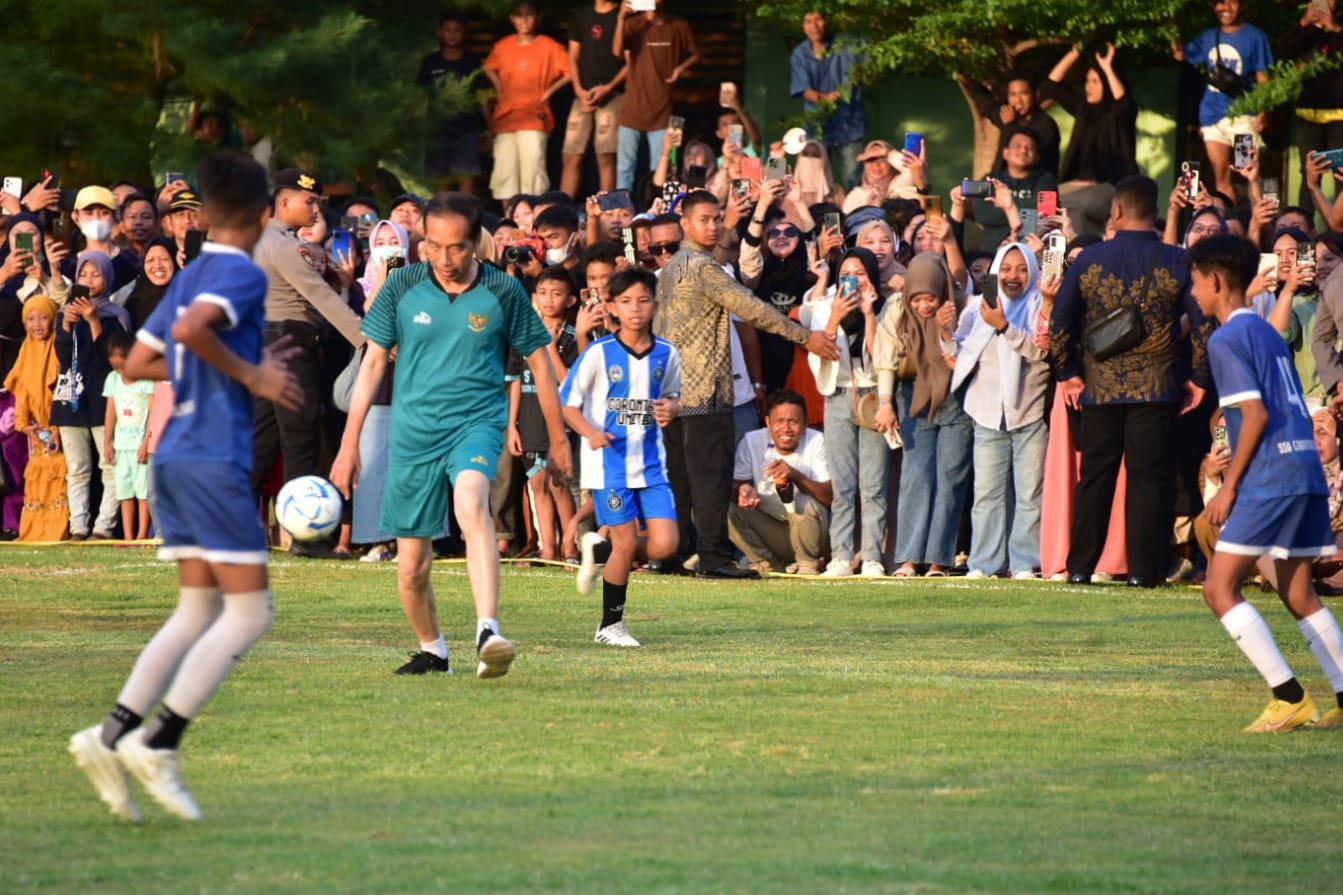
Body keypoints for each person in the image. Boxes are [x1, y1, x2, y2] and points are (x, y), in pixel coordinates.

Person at [68, 151, 304, 821]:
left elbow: (143, 359)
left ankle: (107, 734)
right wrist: (251, 374)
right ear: (263, 216)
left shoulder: (197, 268)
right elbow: (195, 331)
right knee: (250, 612)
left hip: (175, 454)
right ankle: (159, 740)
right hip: (212, 455)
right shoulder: (239, 273)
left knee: (199, 609)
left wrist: (231, 364)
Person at [330, 192, 573, 677]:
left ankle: (488, 629)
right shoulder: (401, 287)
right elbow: (374, 361)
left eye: (457, 248)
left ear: (476, 245)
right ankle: (433, 650)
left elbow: (541, 364)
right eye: (434, 247)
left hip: (476, 422)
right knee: (411, 568)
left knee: (471, 503)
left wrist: (560, 439)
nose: (445, 258)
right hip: (414, 430)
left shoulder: (504, 290)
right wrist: (348, 444)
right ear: (422, 244)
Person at [1188, 232, 1343, 732]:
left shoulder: (1226, 338)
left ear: (1215, 281)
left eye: (1196, 282)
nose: (1193, 292)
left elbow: (1252, 414)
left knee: (1218, 589)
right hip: (1304, 473)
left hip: (1270, 478)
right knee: (1298, 592)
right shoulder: (1267, 334)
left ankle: (1289, 696)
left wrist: (1230, 486)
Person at [656, 190, 840, 578]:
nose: (713, 225)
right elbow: (752, 308)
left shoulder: (674, 267)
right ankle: (713, 557)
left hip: (674, 392)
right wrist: (808, 338)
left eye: (716, 218)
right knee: (710, 481)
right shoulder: (703, 269)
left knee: (683, 481)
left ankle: (675, 553)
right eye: (704, 219)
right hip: (704, 393)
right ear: (684, 224)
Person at [1051, 175, 1212, 587]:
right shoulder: (1177, 259)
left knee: (1095, 479)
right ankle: (1144, 571)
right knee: (1147, 480)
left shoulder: (1090, 259)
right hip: (1155, 387)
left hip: (1099, 388)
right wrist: (1197, 378)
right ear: (1154, 211)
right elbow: (1202, 324)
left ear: (1117, 211)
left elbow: (1061, 321)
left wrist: (1068, 374)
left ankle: (1081, 567)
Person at [563, 268, 679, 645]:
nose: (635, 309)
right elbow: (568, 403)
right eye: (626, 301)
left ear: (655, 306)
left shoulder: (667, 353)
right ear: (611, 307)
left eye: (643, 300)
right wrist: (590, 433)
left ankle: (603, 551)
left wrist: (670, 410)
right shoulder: (600, 354)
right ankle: (610, 626)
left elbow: (673, 397)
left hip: (651, 465)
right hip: (609, 466)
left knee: (665, 545)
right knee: (629, 544)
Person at [250, 168, 364, 544]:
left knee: (260, 442)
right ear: (284, 203)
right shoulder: (284, 245)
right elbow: (320, 296)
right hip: (292, 345)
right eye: (309, 202)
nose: (316, 209)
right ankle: (305, 538)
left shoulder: (264, 241)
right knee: (300, 442)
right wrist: (368, 339)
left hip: (267, 345)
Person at [952, 243, 1054, 578]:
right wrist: (943, 333)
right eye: (1006, 268)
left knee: (1029, 494)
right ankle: (984, 563)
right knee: (986, 496)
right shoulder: (977, 308)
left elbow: (1041, 353)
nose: (1012, 276)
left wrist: (1004, 326)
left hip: (1028, 412)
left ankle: (1025, 562)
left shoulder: (1041, 306)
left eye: (1021, 268)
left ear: (1033, 272)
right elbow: (959, 353)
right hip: (986, 413)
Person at [875, 252, 973, 578]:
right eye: (917, 299)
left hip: (957, 398)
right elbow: (885, 358)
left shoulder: (964, 306)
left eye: (930, 298)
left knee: (950, 480)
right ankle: (908, 559)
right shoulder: (896, 308)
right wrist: (886, 402)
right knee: (916, 479)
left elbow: (963, 361)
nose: (924, 306)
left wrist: (947, 330)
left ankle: (938, 560)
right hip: (915, 397)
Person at [801, 247, 890, 578]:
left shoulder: (886, 307)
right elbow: (821, 351)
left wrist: (868, 315)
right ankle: (840, 554)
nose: (853, 281)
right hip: (837, 397)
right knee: (843, 483)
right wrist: (836, 316)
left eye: (860, 274)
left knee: (874, 483)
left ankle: (872, 556)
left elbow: (880, 357)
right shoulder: (825, 306)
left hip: (873, 397)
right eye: (846, 275)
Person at [54, 251, 129, 540]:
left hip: (103, 399)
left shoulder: (116, 315)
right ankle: (78, 526)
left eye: (96, 274)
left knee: (108, 465)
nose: (89, 280)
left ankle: (104, 526)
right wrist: (66, 325)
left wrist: (95, 321)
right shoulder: (65, 313)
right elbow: (62, 359)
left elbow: (111, 359)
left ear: (107, 277)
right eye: (84, 275)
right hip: (70, 400)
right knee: (77, 469)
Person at [1172, 0, 1273, 201]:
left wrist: (1264, 111)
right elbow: (1180, 55)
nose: (1225, 8)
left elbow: (1264, 78)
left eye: (1231, 2)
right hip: (1212, 117)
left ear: (1241, 5)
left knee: (1249, 173)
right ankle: (1229, 224)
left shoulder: (1255, 36)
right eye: (1219, 2)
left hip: (1242, 116)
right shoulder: (1208, 36)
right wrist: (1170, 26)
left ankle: (1260, 225)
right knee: (1221, 175)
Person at [728, 388, 831, 576]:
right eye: (779, 421)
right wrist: (742, 490)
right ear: (768, 422)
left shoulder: (817, 440)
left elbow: (829, 497)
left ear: (805, 422)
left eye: (794, 421)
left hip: (813, 534)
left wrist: (795, 475)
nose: (786, 429)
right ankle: (767, 563)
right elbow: (734, 487)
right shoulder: (752, 440)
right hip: (772, 529)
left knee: (802, 502)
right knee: (726, 507)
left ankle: (808, 565)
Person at [1041, 43, 1138, 236]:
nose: (1088, 87)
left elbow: (1123, 101)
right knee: (1044, 203)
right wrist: (1073, 53)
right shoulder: (1083, 109)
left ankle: (1078, 253)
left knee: (1082, 203)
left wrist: (1107, 67)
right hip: (1073, 186)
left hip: (1109, 186)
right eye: (1087, 81)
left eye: (1095, 81)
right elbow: (1050, 86)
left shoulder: (1120, 114)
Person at [484, 2, 571, 201]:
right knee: (505, 175)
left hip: (534, 116)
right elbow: (488, 67)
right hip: (506, 117)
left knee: (532, 174)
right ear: (512, 19)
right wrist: (499, 87)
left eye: (529, 15)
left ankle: (531, 226)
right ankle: (510, 226)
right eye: (519, 15)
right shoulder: (503, 46)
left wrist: (549, 92)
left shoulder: (549, 46)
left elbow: (571, 72)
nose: (524, 20)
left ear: (538, 18)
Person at [612, 0, 700, 192]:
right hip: (633, 105)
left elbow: (695, 53)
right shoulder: (634, 24)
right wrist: (620, 18)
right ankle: (620, 209)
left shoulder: (678, 25)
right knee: (625, 166)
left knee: (660, 164)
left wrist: (679, 70)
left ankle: (656, 206)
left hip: (662, 105)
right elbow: (617, 52)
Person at [2, 293, 68, 541]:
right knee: (39, 477)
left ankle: (59, 529)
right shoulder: (25, 354)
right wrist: (30, 428)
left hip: (61, 427)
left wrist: (58, 429)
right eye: (30, 319)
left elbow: (65, 389)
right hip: (38, 431)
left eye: (43, 318)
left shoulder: (60, 352)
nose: (37, 324)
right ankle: (37, 530)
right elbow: (22, 395)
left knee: (61, 477)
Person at [790, 11, 867, 184]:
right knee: (814, 177)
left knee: (853, 177)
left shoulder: (847, 44)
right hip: (816, 123)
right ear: (803, 27)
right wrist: (825, 99)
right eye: (808, 21)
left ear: (826, 21)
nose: (814, 26)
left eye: (818, 20)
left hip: (849, 121)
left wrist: (843, 91)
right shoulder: (800, 53)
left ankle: (854, 210)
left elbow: (866, 69)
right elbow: (803, 88)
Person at [563, 0, 630, 196]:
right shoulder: (581, 16)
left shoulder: (623, 16)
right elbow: (572, 57)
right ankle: (562, 210)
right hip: (582, 95)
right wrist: (578, 89)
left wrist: (608, 88)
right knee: (571, 155)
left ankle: (608, 211)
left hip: (613, 94)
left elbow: (630, 62)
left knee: (606, 155)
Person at [1282, 0, 1343, 210]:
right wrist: (1304, 22)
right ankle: (1304, 226)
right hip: (1309, 112)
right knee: (1308, 172)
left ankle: (1339, 232)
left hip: (1339, 114)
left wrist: (1334, 27)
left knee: (1340, 171)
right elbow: (1283, 50)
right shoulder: (1305, 26)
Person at [418, 12, 486, 195]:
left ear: (463, 33)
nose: (452, 34)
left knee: (467, 174)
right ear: (440, 33)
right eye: (448, 30)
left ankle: (467, 215)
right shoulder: (430, 62)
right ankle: (441, 215)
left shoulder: (472, 61)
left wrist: (490, 126)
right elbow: (421, 96)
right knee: (441, 177)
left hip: (466, 127)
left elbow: (482, 96)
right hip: (437, 127)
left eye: (457, 30)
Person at [101, 332, 154, 541]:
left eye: (125, 366)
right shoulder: (113, 380)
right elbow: (110, 413)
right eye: (116, 367)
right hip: (121, 446)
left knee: (143, 492)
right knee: (124, 492)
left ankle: (142, 534)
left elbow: (153, 413)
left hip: (140, 446)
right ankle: (129, 536)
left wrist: (146, 443)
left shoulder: (147, 380)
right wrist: (107, 442)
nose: (121, 372)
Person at [960, 72, 1062, 179]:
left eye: (1024, 93)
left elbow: (1029, 156)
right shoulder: (1009, 116)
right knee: (965, 190)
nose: (1018, 100)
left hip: (1034, 185)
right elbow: (989, 105)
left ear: (1035, 94)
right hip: (1000, 183)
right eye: (1013, 94)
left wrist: (1010, 125)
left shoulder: (1046, 124)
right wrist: (969, 82)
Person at [113, 237, 178, 331]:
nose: (158, 266)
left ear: (175, 261)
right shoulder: (134, 302)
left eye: (164, 259)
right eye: (150, 260)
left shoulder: (186, 297)